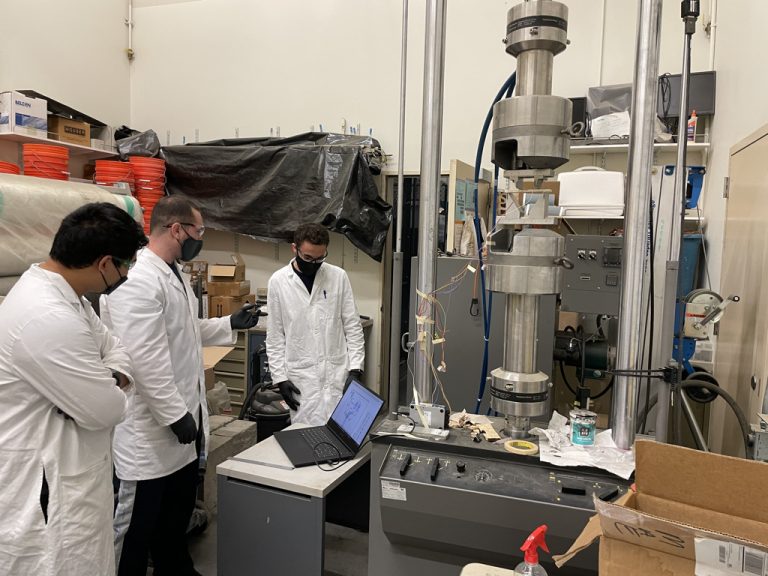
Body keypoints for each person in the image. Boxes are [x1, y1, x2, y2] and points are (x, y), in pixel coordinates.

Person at [101, 196, 263, 576]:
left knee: (173, 522)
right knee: (135, 530)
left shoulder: (174, 272)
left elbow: (185, 330)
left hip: (181, 433)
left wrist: (229, 323)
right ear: (176, 229)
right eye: (199, 230)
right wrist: (175, 414)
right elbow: (144, 359)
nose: (200, 238)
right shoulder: (140, 281)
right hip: (148, 437)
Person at [0, 202, 146, 574]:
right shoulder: (48, 316)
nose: (127, 274)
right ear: (105, 263)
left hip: (74, 476)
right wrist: (111, 383)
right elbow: (108, 410)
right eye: (127, 265)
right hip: (50, 495)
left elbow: (116, 348)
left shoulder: (70, 300)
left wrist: (108, 376)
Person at [267, 223, 365, 426]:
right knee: (306, 436)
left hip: (336, 375)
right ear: (294, 249)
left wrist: (356, 369)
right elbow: (275, 336)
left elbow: (353, 326)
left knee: (342, 432)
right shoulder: (278, 281)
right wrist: (280, 378)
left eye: (320, 258)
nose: (314, 264)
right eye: (308, 258)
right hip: (302, 379)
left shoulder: (338, 276)